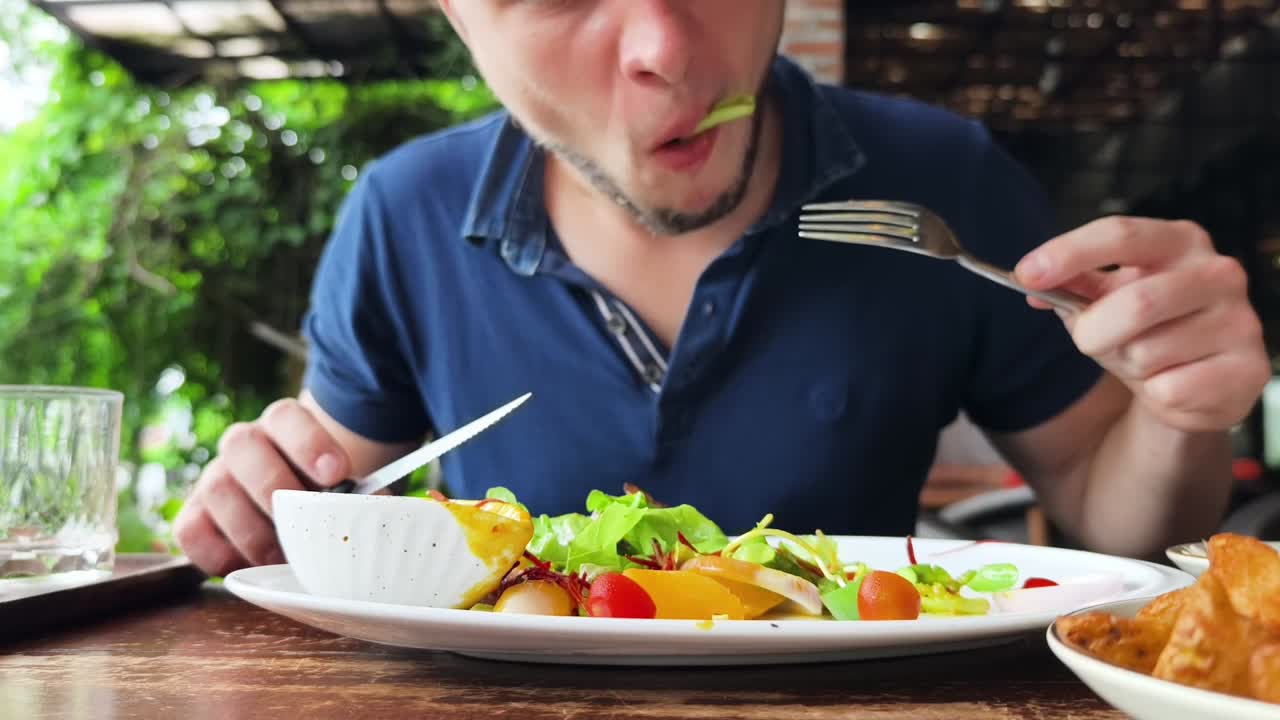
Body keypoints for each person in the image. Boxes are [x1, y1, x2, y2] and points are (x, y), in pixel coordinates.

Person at [173, 1, 1269, 577]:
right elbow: (325, 500)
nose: (662, 46)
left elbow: (1106, 517)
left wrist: (1180, 414)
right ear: (457, 18)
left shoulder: (945, 186)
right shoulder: (403, 214)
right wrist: (266, 494)